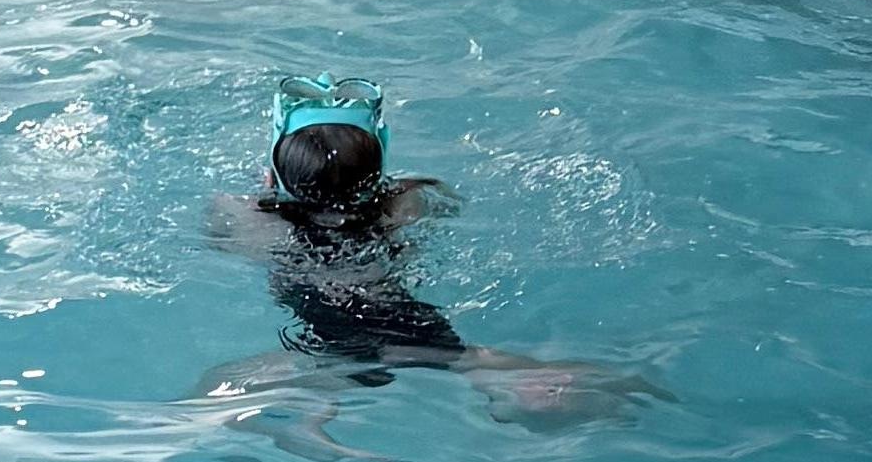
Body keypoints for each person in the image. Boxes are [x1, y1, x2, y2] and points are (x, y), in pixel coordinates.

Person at [203, 76, 656, 424]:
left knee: (227, 388)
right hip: (408, 322)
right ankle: (562, 385)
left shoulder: (245, 217)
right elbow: (443, 210)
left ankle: (313, 415)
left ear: (271, 175)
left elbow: (226, 245)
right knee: (473, 360)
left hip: (326, 331)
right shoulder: (410, 200)